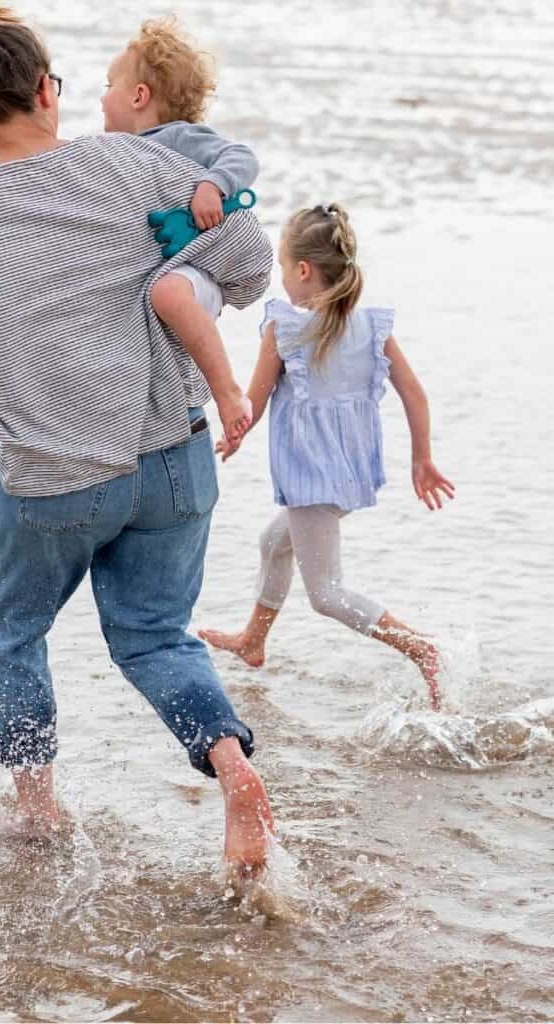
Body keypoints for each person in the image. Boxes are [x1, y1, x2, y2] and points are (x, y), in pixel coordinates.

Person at [0, 0, 275, 870]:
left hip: (55, 472)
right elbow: (253, 262)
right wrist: (168, 265)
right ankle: (231, 769)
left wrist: (33, 385)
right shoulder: (130, 162)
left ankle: (37, 808)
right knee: (156, 637)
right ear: (48, 91)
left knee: (12, 631)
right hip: (174, 454)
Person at [199, 203, 455, 709]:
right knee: (275, 542)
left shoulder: (286, 327)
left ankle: (422, 649)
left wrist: (236, 432)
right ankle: (254, 639)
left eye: (280, 266)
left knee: (327, 594)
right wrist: (421, 459)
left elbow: (255, 396)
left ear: (302, 270)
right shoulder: (371, 326)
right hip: (351, 468)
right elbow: (415, 394)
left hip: (310, 473)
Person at [102, 16, 259, 444]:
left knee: (168, 293)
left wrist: (213, 185)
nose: (101, 98)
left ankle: (227, 394)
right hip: (159, 269)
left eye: (108, 84)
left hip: (195, 277)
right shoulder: (115, 152)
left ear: (138, 96)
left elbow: (242, 156)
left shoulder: (178, 138)